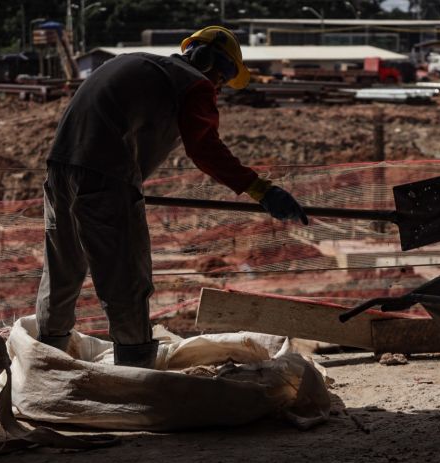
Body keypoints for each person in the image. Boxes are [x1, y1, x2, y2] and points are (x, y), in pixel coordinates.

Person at [35, 26, 307, 368]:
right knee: (125, 279)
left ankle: (44, 365)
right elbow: (204, 148)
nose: (218, 89)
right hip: (106, 177)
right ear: (208, 63)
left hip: (59, 169)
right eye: (222, 80)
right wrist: (261, 189)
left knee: (62, 272)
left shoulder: (134, 63)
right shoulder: (193, 82)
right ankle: (136, 376)